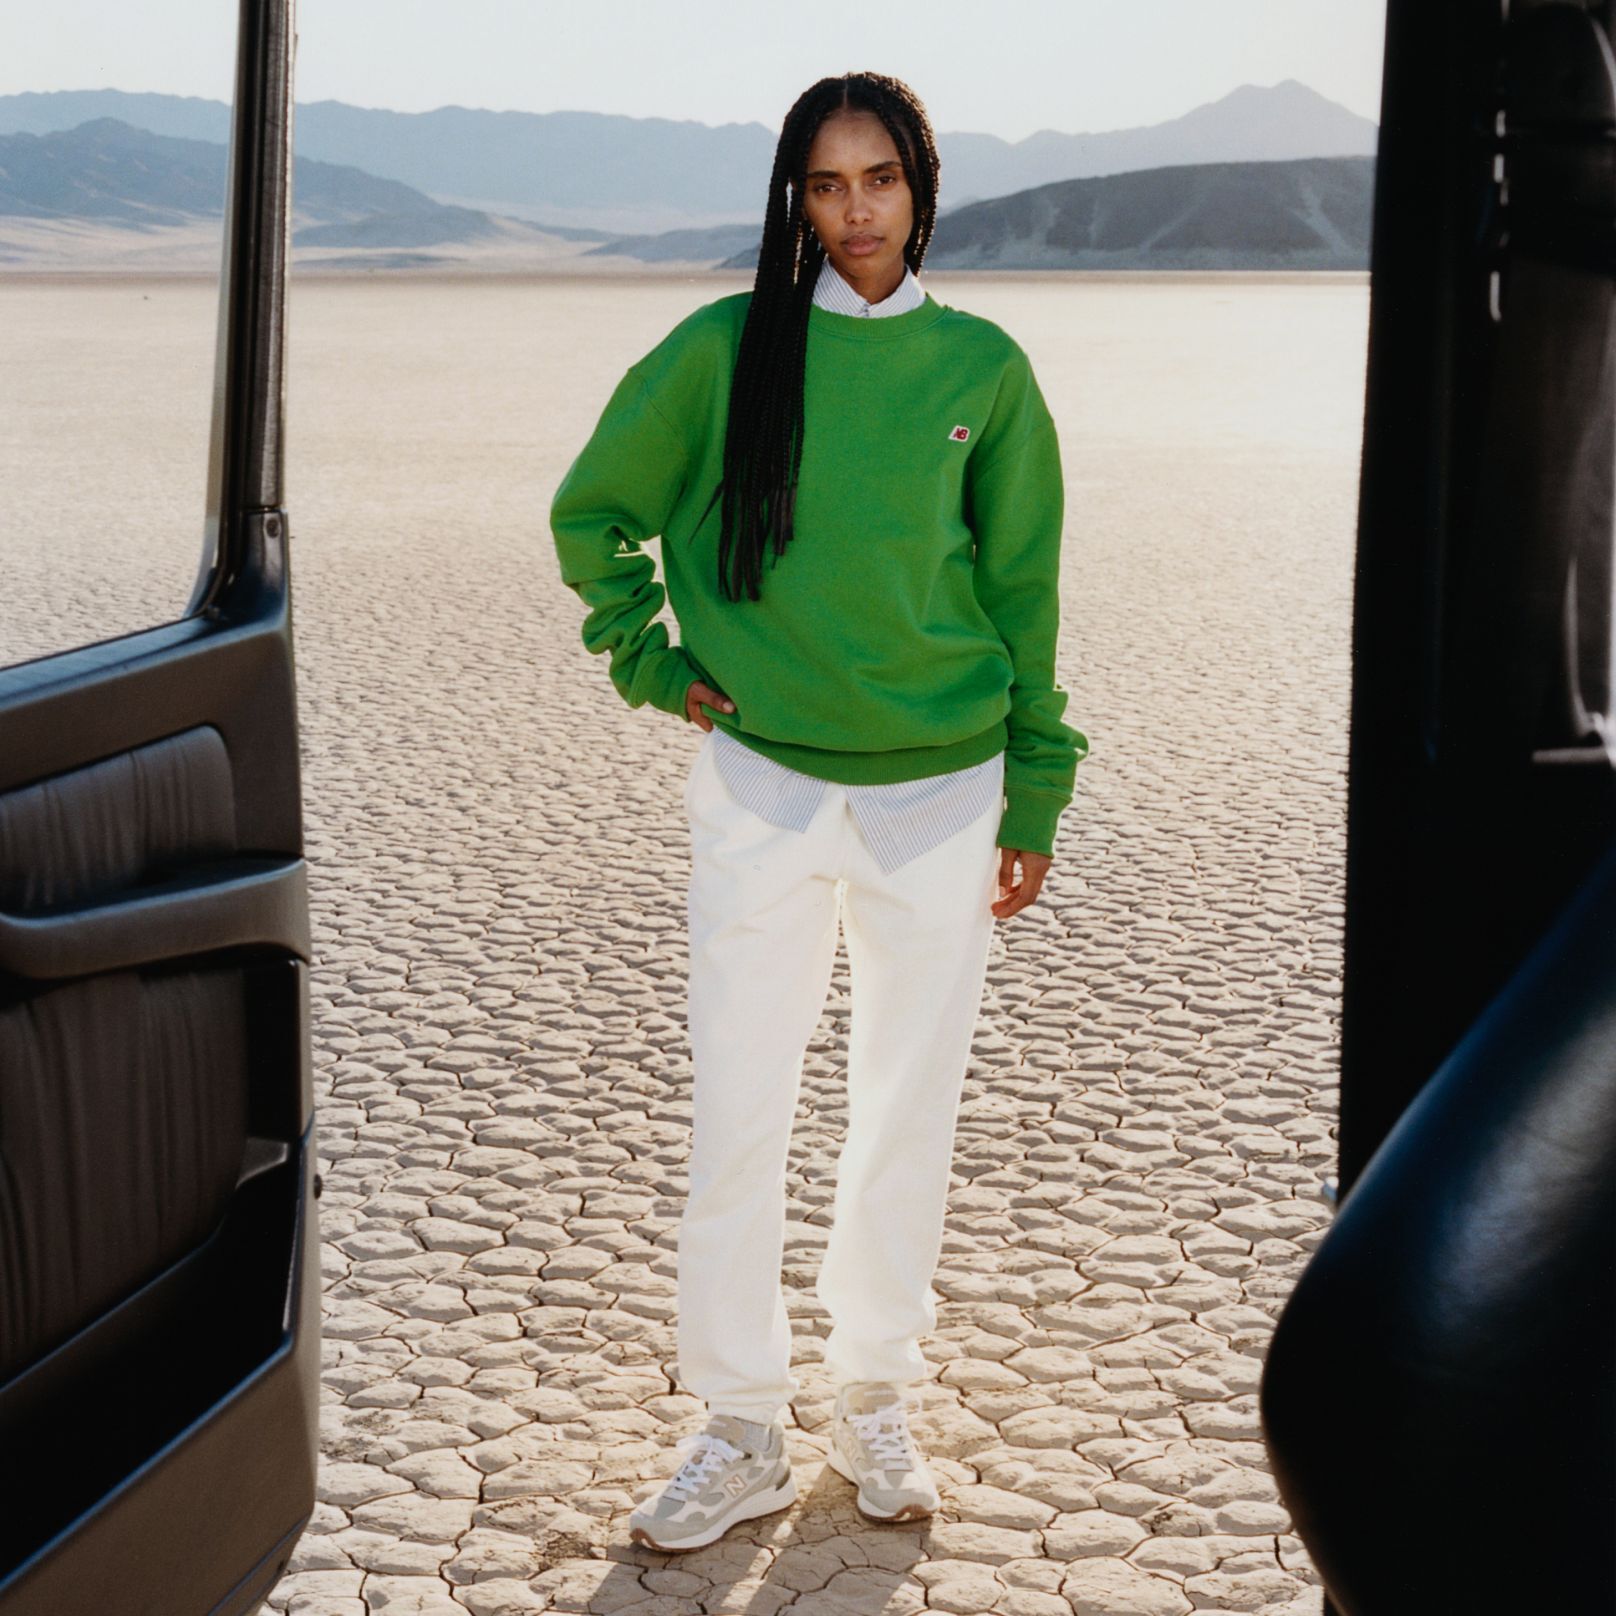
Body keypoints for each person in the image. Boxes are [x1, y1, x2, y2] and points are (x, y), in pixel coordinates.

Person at [550, 70, 1087, 1553]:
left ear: (924, 188)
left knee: (904, 1114)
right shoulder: (727, 350)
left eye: (882, 182)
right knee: (741, 1114)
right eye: (826, 185)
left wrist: (1035, 778)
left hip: (946, 793)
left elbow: (1023, 593)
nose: (856, 214)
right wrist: (654, 663)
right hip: (763, 791)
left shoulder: (983, 368)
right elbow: (592, 512)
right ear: (794, 199)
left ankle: (872, 1393)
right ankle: (738, 1424)